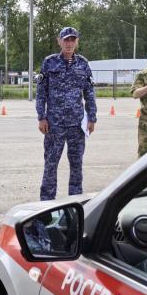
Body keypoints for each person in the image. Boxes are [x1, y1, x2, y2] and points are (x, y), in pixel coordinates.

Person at [36, 26, 97, 200]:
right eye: (66, 39)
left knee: (76, 165)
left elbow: (89, 93)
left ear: (77, 42)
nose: (69, 43)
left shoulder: (83, 64)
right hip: (54, 124)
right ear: (59, 41)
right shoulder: (49, 62)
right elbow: (41, 92)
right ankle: (46, 205)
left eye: (72, 40)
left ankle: (75, 203)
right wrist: (41, 117)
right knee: (50, 165)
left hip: (77, 125)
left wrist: (92, 117)